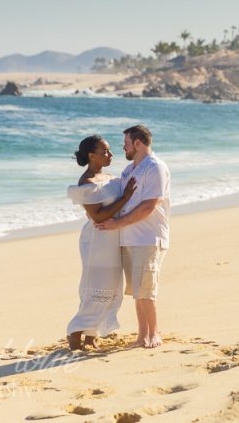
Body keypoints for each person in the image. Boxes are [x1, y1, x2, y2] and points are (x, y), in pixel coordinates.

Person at [95, 125, 170, 348]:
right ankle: (142, 336)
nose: (123, 148)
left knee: (147, 290)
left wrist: (117, 223)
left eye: (126, 144)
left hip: (149, 237)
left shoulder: (155, 167)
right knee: (138, 291)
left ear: (138, 143)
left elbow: (149, 206)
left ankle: (154, 334)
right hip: (129, 238)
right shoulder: (129, 171)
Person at [65, 135, 136, 351]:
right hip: (97, 241)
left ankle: (91, 336)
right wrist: (124, 198)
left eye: (110, 150)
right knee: (98, 287)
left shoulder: (109, 177)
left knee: (112, 288)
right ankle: (75, 332)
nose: (110, 154)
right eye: (104, 151)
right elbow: (97, 216)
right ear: (91, 155)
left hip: (114, 239)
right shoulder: (86, 183)